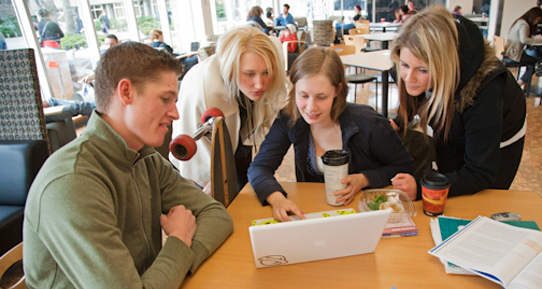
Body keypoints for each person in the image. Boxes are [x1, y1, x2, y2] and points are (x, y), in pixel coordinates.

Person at [24, 41, 233, 288]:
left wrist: (173, 267)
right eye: (165, 99)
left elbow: (217, 216)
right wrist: (178, 240)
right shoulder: (72, 182)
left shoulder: (144, 157)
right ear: (126, 92)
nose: (175, 113)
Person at [247, 47, 414, 222]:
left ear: (337, 90)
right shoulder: (289, 119)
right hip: (315, 211)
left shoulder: (368, 122)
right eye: (303, 95)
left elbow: (405, 167)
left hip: (363, 215)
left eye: (321, 97)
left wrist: (364, 179)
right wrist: (277, 199)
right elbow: (258, 168)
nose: (311, 107)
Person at [388, 6, 526, 201]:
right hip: (455, 119)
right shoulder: (411, 59)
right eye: (404, 65)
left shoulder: (485, 93)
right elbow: (414, 92)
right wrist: (398, 121)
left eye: (422, 70)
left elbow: (480, 173)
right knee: (449, 180)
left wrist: (420, 189)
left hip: (499, 139)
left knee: (479, 201)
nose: (409, 77)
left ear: (445, 67)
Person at [170, 26, 287, 195]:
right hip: (203, 141)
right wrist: (209, 180)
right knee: (217, 193)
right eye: (249, 74)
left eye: (266, 72)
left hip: (239, 119)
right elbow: (201, 161)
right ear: (231, 68)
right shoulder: (205, 90)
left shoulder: (258, 67)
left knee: (243, 187)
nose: (260, 84)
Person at [504, 7, 542, 90]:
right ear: (534, 17)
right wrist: (539, 40)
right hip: (514, 54)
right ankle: (519, 84)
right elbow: (524, 39)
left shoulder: (520, 22)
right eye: (538, 20)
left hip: (509, 52)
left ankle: (524, 85)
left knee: (531, 61)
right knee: (537, 63)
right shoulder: (524, 24)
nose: (536, 23)